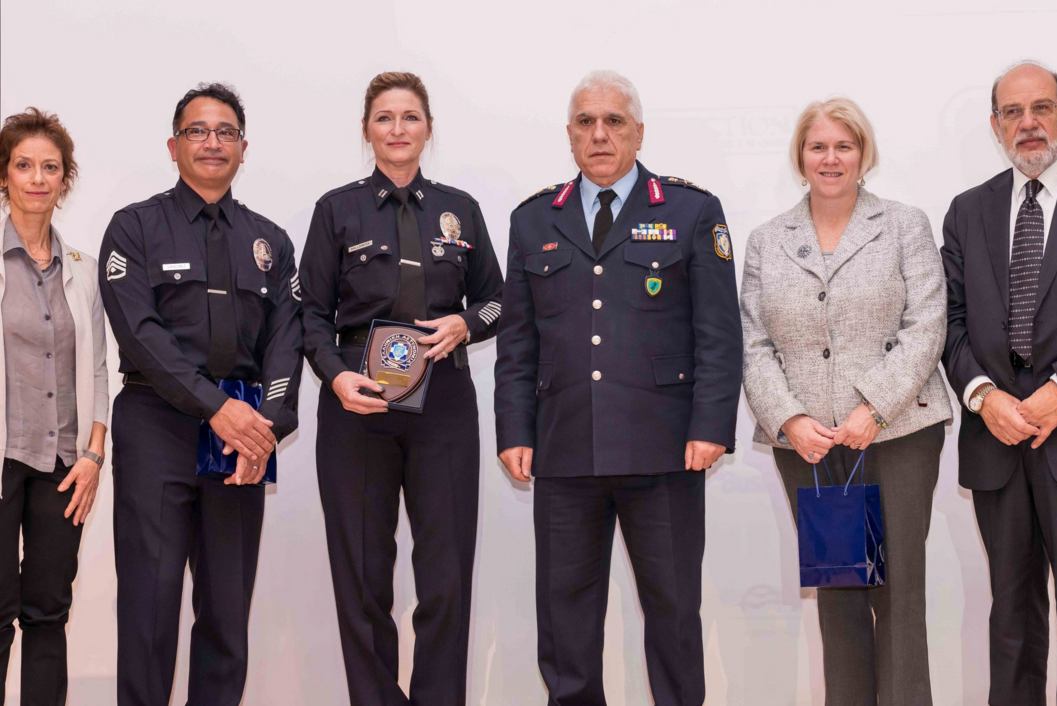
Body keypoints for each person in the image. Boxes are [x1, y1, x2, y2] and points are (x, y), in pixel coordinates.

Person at [494, 69, 741, 706]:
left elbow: (718, 331)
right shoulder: (533, 219)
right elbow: (518, 343)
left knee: (674, 616)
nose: (599, 135)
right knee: (565, 626)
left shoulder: (690, 211)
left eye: (613, 122)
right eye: (586, 122)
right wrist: (515, 432)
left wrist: (711, 425)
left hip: (665, 449)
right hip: (564, 450)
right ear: (569, 134)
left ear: (638, 132)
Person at [299, 71, 503, 706]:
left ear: (428, 129)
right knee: (363, 577)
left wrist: (466, 324)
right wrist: (336, 376)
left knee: (446, 577)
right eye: (384, 118)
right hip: (358, 404)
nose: (397, 129)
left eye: (410, 117)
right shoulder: (337, 209)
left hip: (443, 403)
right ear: (367, 130)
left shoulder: (460, 209)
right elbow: (310, 315)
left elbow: (499, 301)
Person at [741, 96, 952, 705]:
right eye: (818, 146)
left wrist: (874, 407)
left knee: (899, 593)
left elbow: (927, 324)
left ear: (864, 154)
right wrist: (789, 418)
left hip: (899, 434)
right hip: (807, 445)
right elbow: (753, 343)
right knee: (837, 593)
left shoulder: (905, 224)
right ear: (800, 156)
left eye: (844, 145)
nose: (830, 158)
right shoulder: (767, 240)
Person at [99, 83, 303, 706]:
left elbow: (286, 341)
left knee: (226, 615)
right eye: (197, 131)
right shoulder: (134, 228)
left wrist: (266, 426)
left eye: (225, 132)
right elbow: (139, 334)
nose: (212, 142)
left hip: (242, 441)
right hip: (156, 426)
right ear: (173, 146)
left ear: (243, 146)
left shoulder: (271, 241)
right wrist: (216, 408)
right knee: (149, 608)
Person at [941, 61, 1057, 706]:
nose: (1028, 123)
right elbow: (949, 322)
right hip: (998, 443)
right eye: (1013, 112)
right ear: (995, 125)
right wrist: (984, 398)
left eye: (1042, 108)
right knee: (1010, 619)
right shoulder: (968, 211)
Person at [0, 108, 107, 706]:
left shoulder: (83, 272)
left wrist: (93, 455)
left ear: (65, 179)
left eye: (50, 167)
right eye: (24, 165)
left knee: (48, 612)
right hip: (3, 459)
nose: (37, 178)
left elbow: (97, 370)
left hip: (64, 468)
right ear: (5, 176)